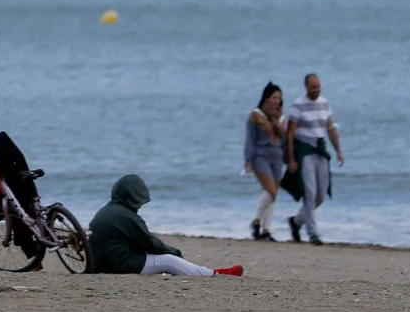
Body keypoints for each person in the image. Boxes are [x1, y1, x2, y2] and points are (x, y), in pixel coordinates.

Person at [88, 174, 243, 277]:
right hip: (118, 265)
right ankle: (214, 274)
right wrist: (175, 252)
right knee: (169, 261)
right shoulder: (128, 217)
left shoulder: (106, 211)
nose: (140, 206)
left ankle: (207, 272)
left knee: (165, 259)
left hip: (101, 263)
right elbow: (151, 244)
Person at [285, 72, 343, 245]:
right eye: (313, 87)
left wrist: (338, 150)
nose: (316, 90)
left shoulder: (324, 103)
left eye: (318, 87)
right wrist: (291, 159)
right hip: (305, 152)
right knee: (309, 193)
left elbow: (330, 128)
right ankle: (313, 233)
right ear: (306, 87)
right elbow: (290, 134)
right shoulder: (298, 106)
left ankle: (296, 221)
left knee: (321, 195)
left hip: (320, 150)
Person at [244, 82, 286, 240]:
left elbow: (284, 139)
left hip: (277, 157)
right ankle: (256, 221)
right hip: (260, 156)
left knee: (271, 195)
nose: (276, 101)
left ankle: (266, 230)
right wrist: (248, 160)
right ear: (266, 98)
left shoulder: (280, 116)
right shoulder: (256, 115)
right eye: (274, 98)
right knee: (271, 191)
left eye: (279, 98)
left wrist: (289, 158)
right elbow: (250, 139)